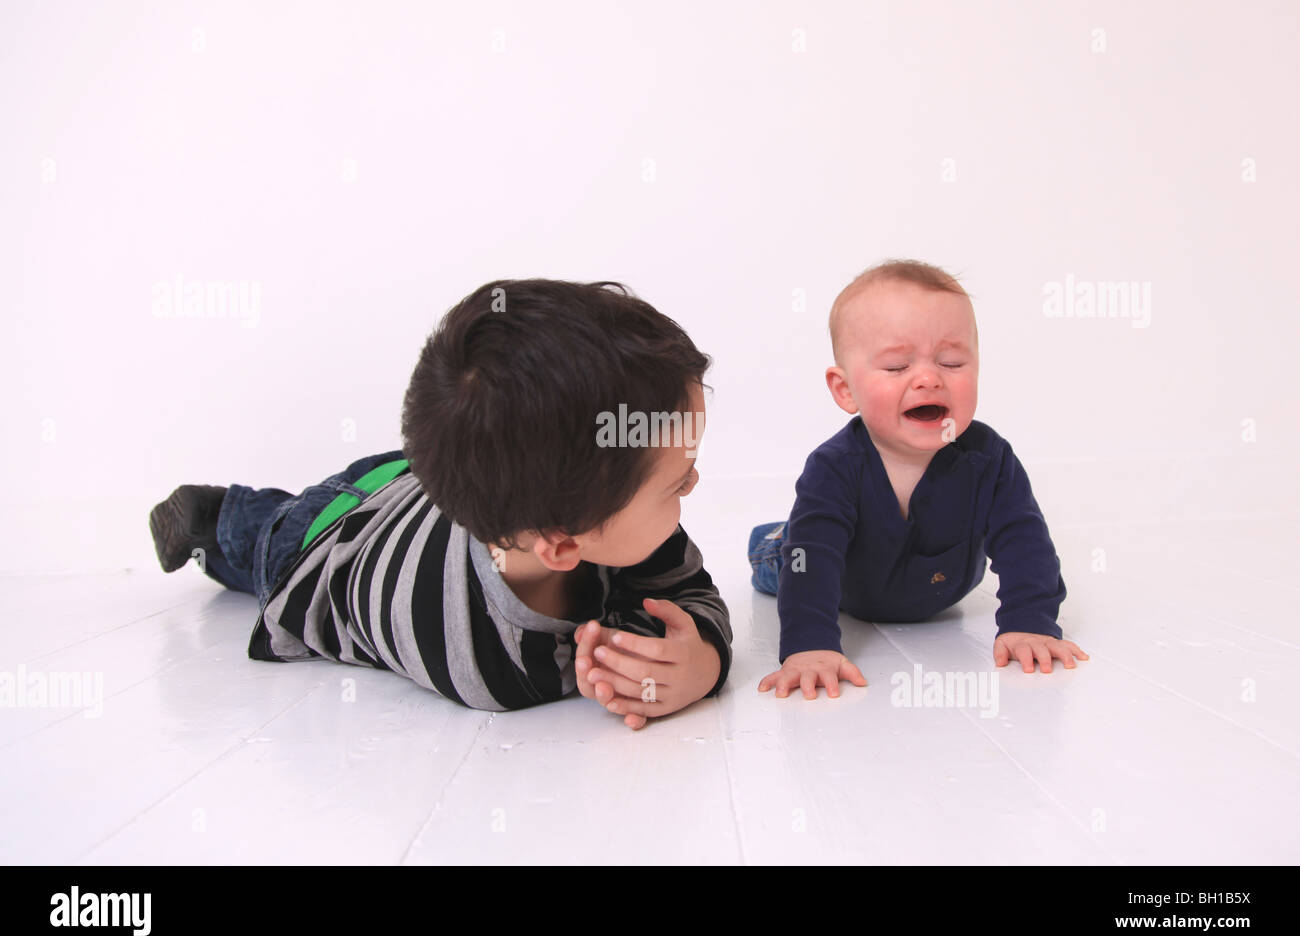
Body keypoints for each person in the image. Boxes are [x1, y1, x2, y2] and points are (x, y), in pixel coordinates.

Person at [150, 279, 732, 730]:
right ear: (563, 545)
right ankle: (216, 516)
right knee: (262, 539)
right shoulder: (490, 663)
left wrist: (701, 662)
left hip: (408, 481)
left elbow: (686, 594)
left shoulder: (577, 510)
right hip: (319, 545)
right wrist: (640, 671)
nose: (694, 482)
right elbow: (621, 651)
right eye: (677, 482)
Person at [748, 259, 1088, 701]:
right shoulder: (833, 468)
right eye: (896, 367)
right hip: (820, 567)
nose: (928, 378)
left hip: (928, 588)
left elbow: (1026, 543)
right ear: (845, 389)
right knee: (792, 547)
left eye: (951, 361)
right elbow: (810, 561)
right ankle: (769, 542)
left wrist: (1031, 622)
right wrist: (810, 645)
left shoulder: (988, 459)